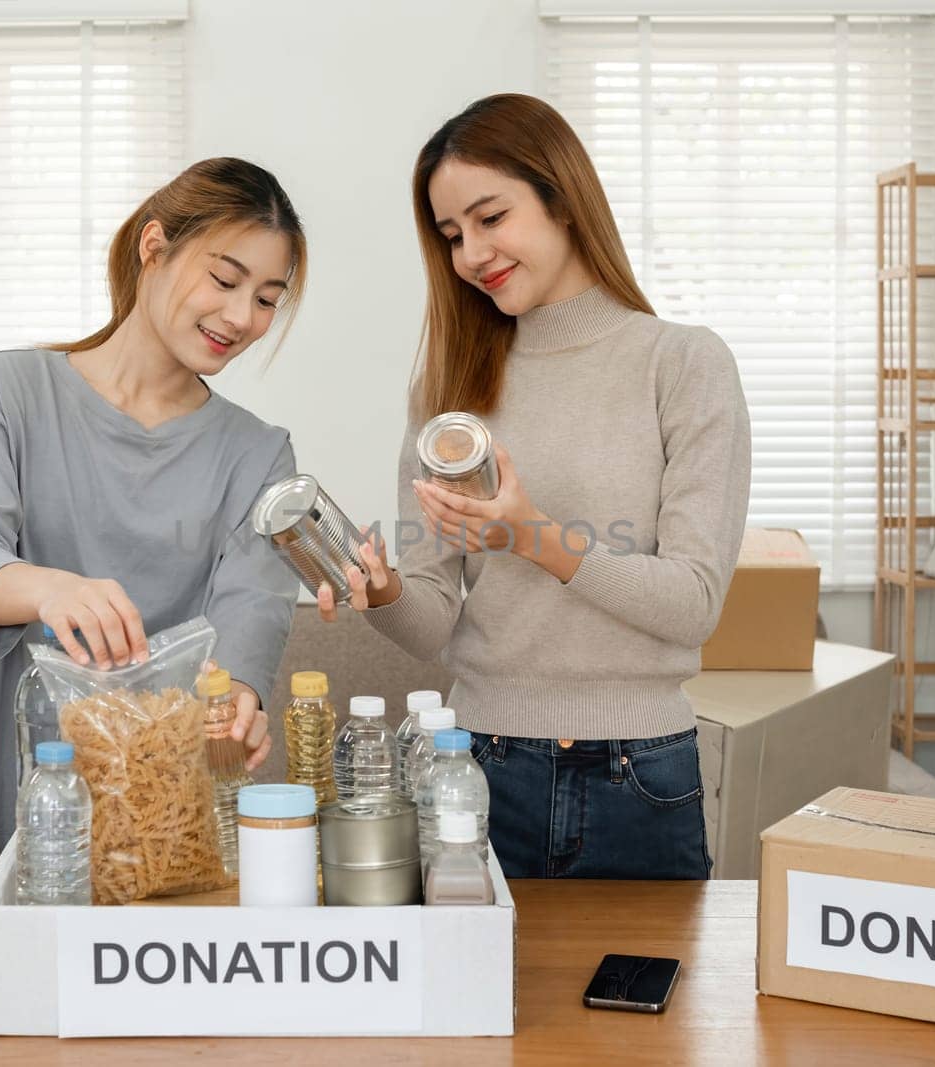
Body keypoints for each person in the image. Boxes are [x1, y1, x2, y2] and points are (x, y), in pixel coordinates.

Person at [319, 94, 751, 880]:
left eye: (491, 217)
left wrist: (531, 536)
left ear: (562, 198)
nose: (472, 253)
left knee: (646, 1003)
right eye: (452, 235)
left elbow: (694, 602)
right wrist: (378, 588)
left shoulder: (682, 365)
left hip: (641, 775)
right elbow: (429, 624)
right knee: (475, 1005)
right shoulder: (448, 391)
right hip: (477, 770)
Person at [0, 158, 307, 872]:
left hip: (163, 833)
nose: (240, 317)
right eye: (224, 280)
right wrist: (50, 588)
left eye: (265, 298)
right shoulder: (7, 392)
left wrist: (239, 706)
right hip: (4, 816)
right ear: (153, 247)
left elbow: (253, 616)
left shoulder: (258, 456)